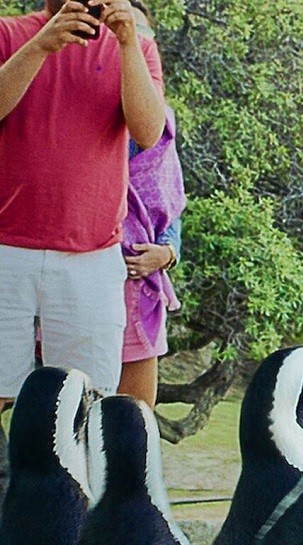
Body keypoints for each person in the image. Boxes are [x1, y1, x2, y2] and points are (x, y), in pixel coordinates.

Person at [0, 0, 165, 404]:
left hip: (91, 257)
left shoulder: (139, 49)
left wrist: (127, 42)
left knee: (86, 401)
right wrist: (39, 46)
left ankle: (74, 471)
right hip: (5, 247)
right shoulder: (8, 34)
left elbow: (148, 132)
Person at [118, 0, 185, 408]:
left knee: (135, 415)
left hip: (139, 279)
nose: (136, 44)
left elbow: (170, 202)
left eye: (143, 36)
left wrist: (166, 253)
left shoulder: (161, 123)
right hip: (81, 265)